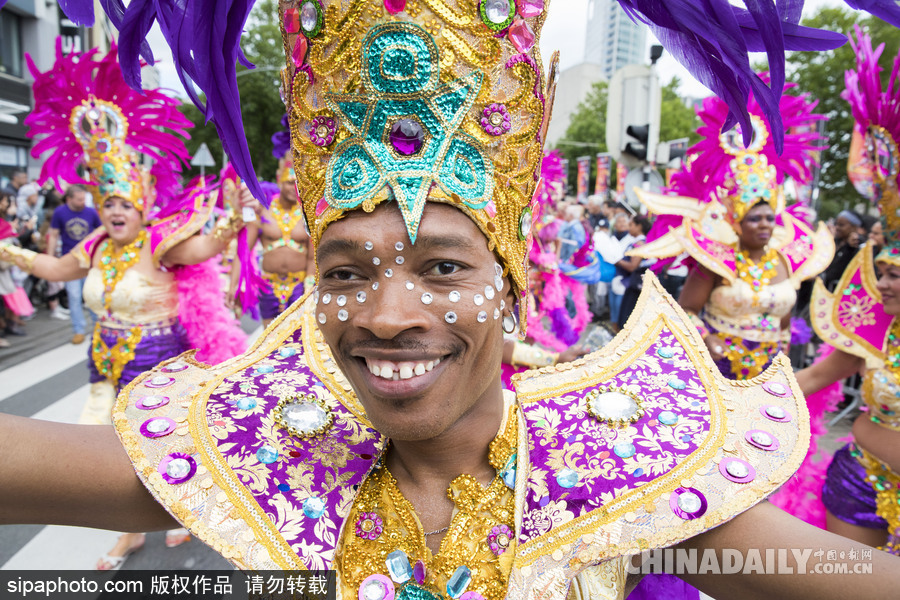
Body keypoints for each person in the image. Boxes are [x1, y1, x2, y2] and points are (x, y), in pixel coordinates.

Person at [3, 0, 900, 595]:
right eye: (344, 273)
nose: (386, 314)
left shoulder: (616, 472)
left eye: (442, 269)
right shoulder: (267, 452)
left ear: (513, 287)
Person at [0, 40, 251, 570]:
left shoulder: (158, 241)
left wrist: (230, 221)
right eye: (106, 203)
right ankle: (132, 529)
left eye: (123, 204)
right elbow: (53, 269)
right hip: (105, 355)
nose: (114, 211)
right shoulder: (93, 247)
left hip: (161, 360)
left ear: (140, 207)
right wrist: (9, 249)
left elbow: (204, 247)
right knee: (105, 448)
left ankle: (183, 513)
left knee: (168, 445)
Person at [631, 84, 834, 381]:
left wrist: (784, 353)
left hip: (769, 373)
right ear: (736, 222)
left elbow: (784, 321)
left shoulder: (787, 260)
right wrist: (706, 339)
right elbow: (686, 310)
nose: (764, 224)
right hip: (718, 368)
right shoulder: (714, 260)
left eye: (769, 217)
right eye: (754, 219)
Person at [795, 27, 900, 555]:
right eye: (880, 269)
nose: (881, 282)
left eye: (895, 275)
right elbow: (812, 376)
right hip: (863, 487)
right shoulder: (870, 326)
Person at [242, 155, 312, 326]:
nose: (293, 188)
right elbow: (245, 250)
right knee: (268, 341)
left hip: (299, 286)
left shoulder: (308, 214)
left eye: (298, 183)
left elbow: (312, 256)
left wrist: (309, 286)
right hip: (268, 286)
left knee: (298, 339)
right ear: (280, 179)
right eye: (289, 182)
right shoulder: (264, 211)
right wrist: (241, 284)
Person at [47, 184, 102, 341]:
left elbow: (102, 232)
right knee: (74, 296)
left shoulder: (91, 212)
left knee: (93, 296)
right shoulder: (60, 212)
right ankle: (78, 329)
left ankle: (98, 329)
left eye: (84, 199)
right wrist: (51, 258)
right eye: (79, 199)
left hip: (90, 262)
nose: (82, 202)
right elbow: (53, 235)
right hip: (70, 261)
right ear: (69, 199)